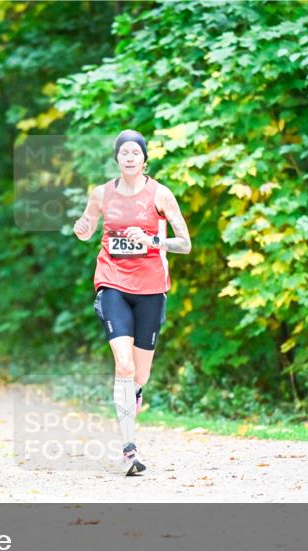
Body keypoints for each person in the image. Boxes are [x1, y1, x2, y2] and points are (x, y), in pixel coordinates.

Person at [73, 129, 191, 476]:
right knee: (123, 366)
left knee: (140, 374)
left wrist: (154, 239)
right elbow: (86, 228)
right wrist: (81, 227)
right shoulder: (101, 194)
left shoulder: (161, 194)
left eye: (134, 152)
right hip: (113, 283)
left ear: (144, 159)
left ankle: (133, 394)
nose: (128, 157)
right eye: (123, 152)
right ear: (117, 158)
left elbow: (185, 243)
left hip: (151, 288)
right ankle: (128, 449)